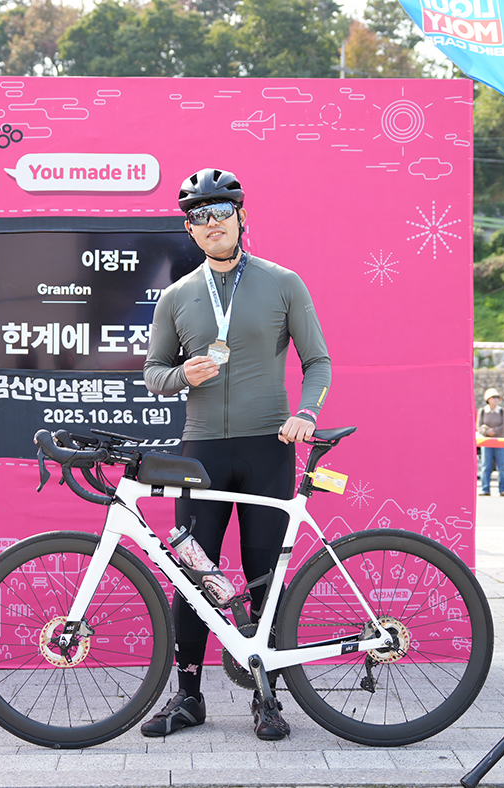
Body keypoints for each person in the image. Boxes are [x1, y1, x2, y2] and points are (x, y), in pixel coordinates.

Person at [140, 168, 331, 742]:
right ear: (190, 230)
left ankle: (267, 698)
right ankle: (188, 697)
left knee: (262, 573)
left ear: (241, 217)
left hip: (268, 445)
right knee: (193, 574)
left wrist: (307, 413)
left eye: (221, 211)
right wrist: (182, 375)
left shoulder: (283, 283)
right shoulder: (177, 296)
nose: (212, 223)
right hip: (200, 452)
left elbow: (317, 361)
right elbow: (153, 373)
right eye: (199, 216)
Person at [477, 388, 504, 497]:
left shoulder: (501, 411)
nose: (496, 399)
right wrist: (486, 432)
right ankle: (485, 488)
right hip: (487, 441)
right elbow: (478, 426)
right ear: (488, 399)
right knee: (486, 466)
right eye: (493, 397)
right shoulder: (483, 411)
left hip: (499, 441)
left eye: (498, 397)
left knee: (502, 466)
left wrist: (494, 431)